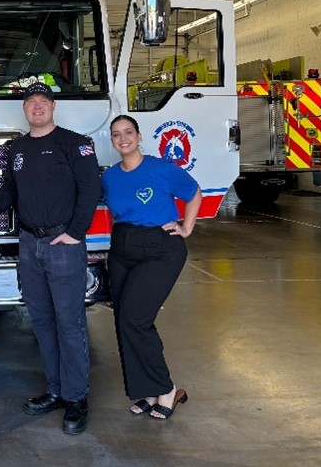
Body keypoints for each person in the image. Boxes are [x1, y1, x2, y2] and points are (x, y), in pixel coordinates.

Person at [0, 82, 102, 435]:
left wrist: (75, 232)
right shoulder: (17, 148)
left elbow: (91, 188)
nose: (37, 106)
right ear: (25, 109)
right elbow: (10, 191)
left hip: (63, 243)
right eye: (31, 102)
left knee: (69, 323)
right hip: (29, 244)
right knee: (42, 321)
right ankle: (57, 390)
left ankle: (76, 398)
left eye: (43, 101)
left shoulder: (74, 143)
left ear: (53, 107)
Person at [101, 114, 202, 420]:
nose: (123, 138)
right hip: (122, 249)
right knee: (124, 320)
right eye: (116, 134)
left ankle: (167, 389)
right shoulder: (109, 176)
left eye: (128, 132)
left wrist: (187, 227)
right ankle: (147, 391)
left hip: (160, 249)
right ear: (112, 141)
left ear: (139, 136)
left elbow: (193, 192)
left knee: (135, 318)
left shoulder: (160, 168)